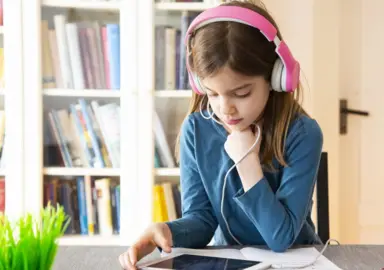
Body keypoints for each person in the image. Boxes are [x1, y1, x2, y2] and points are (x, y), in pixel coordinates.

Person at [119, 0, 323, 269]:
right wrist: (167, 231)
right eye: (213, 94)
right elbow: (202, 220)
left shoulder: (303, 133)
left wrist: (247, 163)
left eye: (241, 93)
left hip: (296, 261)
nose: (225, 108)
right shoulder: (196, 129)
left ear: (276, 77)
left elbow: (281, 238)